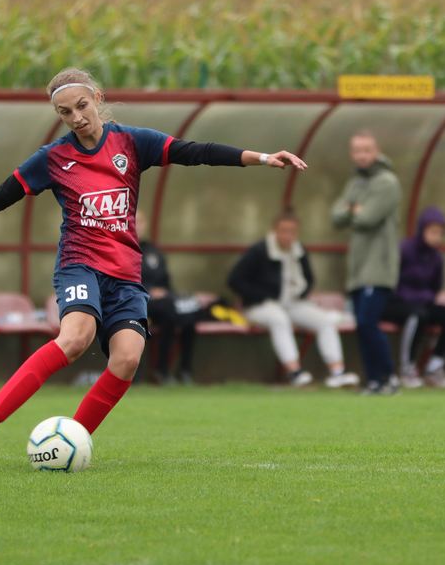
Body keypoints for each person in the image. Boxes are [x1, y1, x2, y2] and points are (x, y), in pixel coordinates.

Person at [0, 68, 308, 465]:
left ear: (98, 98)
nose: (76, 117)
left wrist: (261, 157)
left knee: (127, 358)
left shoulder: (132, 143)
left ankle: (69, 445)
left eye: (82, 106)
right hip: (79, 265)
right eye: (65, 112)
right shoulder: (52, 159)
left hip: (125, 274)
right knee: (75, 338)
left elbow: (197, 152)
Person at [227, 209, 360, 388]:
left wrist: (301, 293)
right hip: (261, 306)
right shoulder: (259, 251)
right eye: (283, 231)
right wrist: (260, 295)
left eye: (292, 232)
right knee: (279, 319)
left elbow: (309, 279)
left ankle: (337, 373)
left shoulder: (300, 250)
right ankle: (294, 372)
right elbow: (234, 280)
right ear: (274, 230)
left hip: (293, 303)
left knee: (324, 321)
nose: (288, 236)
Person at [331, 131, 402, 395]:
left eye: (367, 150)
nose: (362, 155)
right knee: (361, 325)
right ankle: (373, 380)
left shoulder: (387, 182)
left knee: (368, 321)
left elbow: (367, 218)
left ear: (377, 151)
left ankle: (388, 377)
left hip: (379, 266)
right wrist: (353, 209)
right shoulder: (355, 183)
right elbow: (336, 216)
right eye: (357, 150)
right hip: (358, 268)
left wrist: (353, 209)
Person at [384, 206, 445, 389]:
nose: (436, 237)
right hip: (397, 303)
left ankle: (435, 366)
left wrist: (426, 297)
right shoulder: (404, 249)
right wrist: (413, 297)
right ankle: (407, 368)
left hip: (423, 302)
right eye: (433, 231)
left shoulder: (437, 258)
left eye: (440, 233)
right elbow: (393, 281)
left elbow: (436, 286)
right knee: (417, 315)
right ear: (422, 229)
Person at [138, 216, 199, 385]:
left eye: (140, 221)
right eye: (133, 221)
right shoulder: (119, 247)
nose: (137, 225)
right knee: (170, 311)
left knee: (189, 315)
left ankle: (185, 370)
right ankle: (161, 370)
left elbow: (165, 281)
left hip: (162, 303)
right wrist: (149, 290)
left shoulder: (153, 251)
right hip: (136, 301)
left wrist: (166, 292)